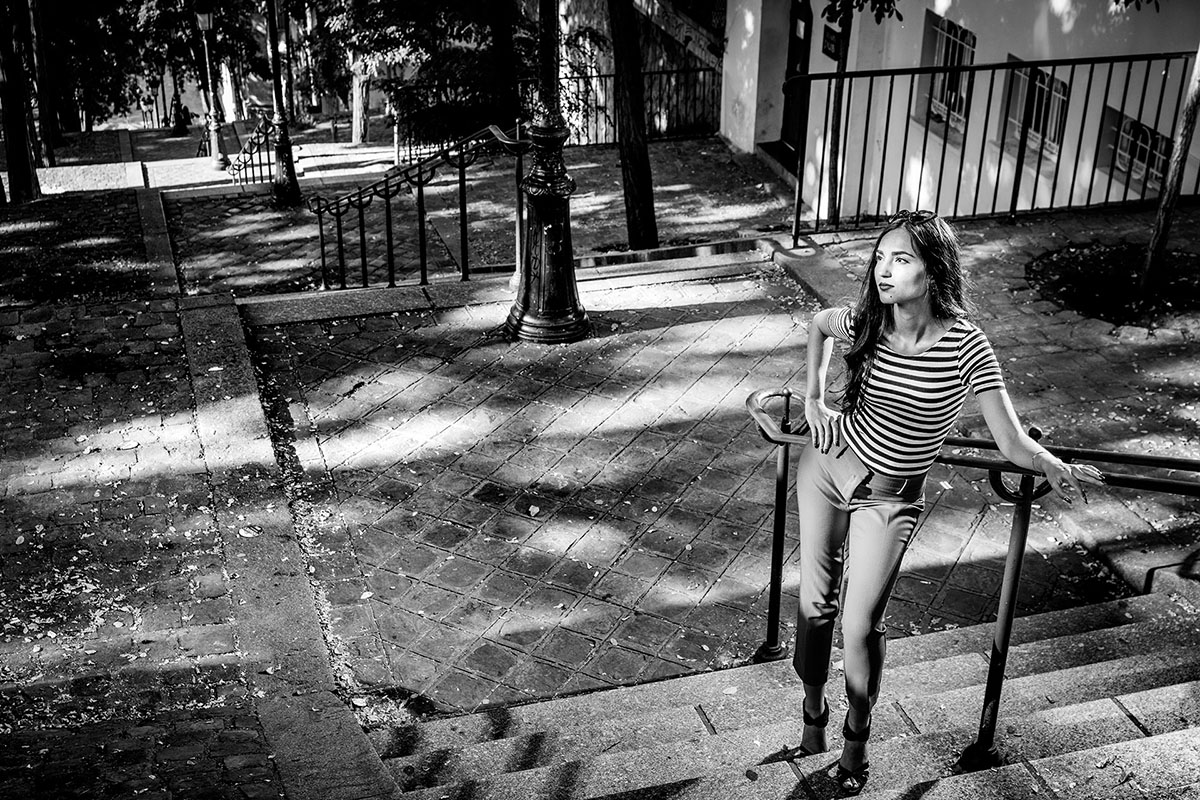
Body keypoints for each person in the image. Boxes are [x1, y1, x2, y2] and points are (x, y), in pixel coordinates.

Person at [794, 209, 1105, 795]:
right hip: (826, 468)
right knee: (814, 607)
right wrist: (813, 399)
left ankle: (855, 743)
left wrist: (1052, 465)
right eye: (880, 258)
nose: (884, 271)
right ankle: (813, 716)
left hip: (888, 497)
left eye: (901, 259)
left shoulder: (966, 347)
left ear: (934, 273)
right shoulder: (866, 322)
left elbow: (1010, 440)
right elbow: (817, 323)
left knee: (858, 626)